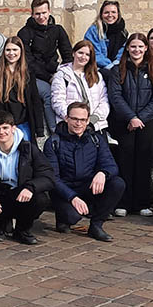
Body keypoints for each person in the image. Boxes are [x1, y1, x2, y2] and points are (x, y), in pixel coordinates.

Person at [43, 102, 125, 242]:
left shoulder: (96, 139)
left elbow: (111, 165)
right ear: (66, 118)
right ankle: (63, 218)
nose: (78, 123)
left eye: (82, 120)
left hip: (88, 186)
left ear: (87, 120)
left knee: (118, 183)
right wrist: (72, 197)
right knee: (72, 216)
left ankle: (96, 225)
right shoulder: (53, 142)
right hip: (64, 191)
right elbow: (52, 178)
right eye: (74, 119)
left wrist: (103, 173)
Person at [105, 33, 153, 218]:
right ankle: (123, 202)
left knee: (144, 162)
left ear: (146, 48)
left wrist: (141, 118)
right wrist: (131, 117)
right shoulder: (118, 70)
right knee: (125, 161)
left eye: (140, 47)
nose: (136, 50)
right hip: (124, 122)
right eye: (133, 47)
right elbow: (115, 96)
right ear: (128, 49)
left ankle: (142, 203)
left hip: (147, 123)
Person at [0, 111, 54, 245]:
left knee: (40, 199)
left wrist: (30, 187)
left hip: (21, 192)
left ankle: (22, 230)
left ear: (13, 128)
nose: (1, 132)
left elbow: (47, 175)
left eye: (5, 128)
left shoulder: (29, 149)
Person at [17, 0, 72, 130]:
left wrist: (64, 73)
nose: (41, 17)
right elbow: (29, 61)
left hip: (55, 72)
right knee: (48, 93)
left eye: (44, 13)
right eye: (37, 13)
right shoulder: (25, 33)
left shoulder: (58, 30)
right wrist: (49, 77)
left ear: (49, 12)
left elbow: (67, 54)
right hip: (33, 75)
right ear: (32, 14)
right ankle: (54, 130)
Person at [0, 37, 45, 144]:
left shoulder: (27, 74)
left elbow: (35, 101)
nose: (11, 53)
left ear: (21, 51)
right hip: (1, 126)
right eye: (8, 50)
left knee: (25, 156)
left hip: (22, 123)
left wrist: (39, 129)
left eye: (15, 50)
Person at [51, 40, 110, 133]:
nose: (83, 57)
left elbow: (104, 100)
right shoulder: (62, 75)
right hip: (71, 126)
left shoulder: (97, 75)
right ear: (74, 53)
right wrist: (75, 119)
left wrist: (93, 119)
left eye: (87, 55)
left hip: (95, 125)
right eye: (80, 53)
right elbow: (57, 101)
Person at [84, 1, 128, 70]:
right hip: (97, 68)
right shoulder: (94, 30)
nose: (110, 15)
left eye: (113, 12)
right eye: (106, 12)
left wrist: (116, 64)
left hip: (117, 67)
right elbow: (93, 52)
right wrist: (109, 66)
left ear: (118, 14)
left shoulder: (123, 32)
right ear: (101, 14)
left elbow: (123, 51)